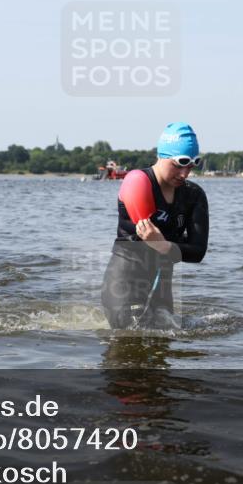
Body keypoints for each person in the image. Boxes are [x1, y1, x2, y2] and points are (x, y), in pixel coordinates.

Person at [101, 122, 208, 330]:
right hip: (124, 287)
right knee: (132, 346)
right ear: (162, 156)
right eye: (179, 164)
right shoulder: (138, 182)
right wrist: (169, 246)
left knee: (162, 354)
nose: (185, 173)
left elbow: (197, 252)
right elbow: (145, 240)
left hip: (162, 290)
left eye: (192, 164)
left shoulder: (194, 195)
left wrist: (163, 245)